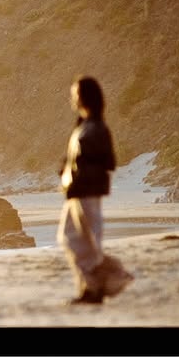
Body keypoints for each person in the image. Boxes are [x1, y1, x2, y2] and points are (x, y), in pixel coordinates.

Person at [57, 75, 133, 305]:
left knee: (85, 241)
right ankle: (95, 285)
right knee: (71, 238)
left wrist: (77, 175)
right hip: (78, 192)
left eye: (76, 94)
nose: (73, 99)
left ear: (85, 97)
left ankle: (101, 284)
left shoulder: (96, 127)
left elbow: (106, 161)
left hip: (86, 192)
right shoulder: (85, 125)